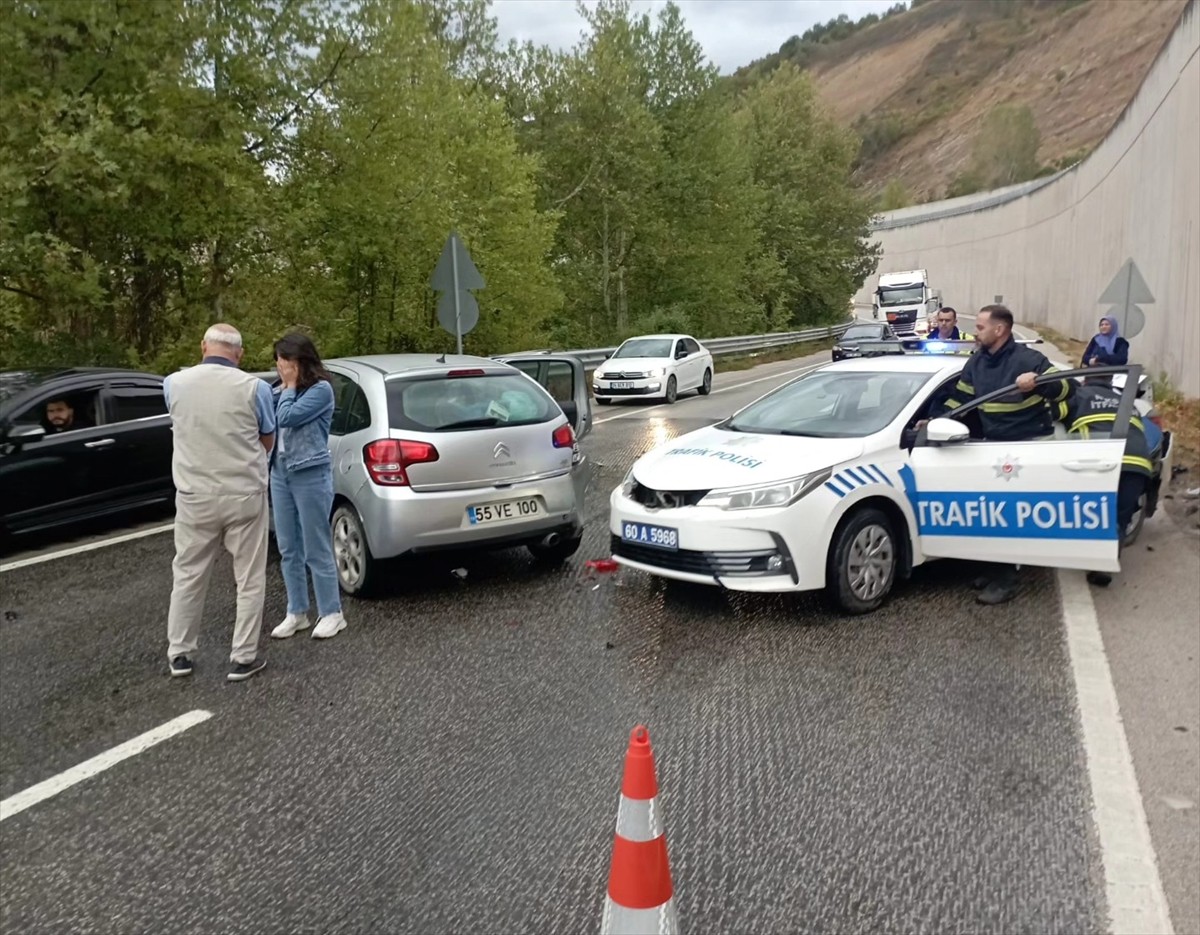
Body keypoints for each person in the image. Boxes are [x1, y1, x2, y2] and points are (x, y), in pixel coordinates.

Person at [931, 304, 1074, 605]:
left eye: (981, 327)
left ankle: (1005, 580)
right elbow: (962, 399)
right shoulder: (977, 362)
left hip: (1028, 444)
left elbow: (1067, 388)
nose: (976, 332)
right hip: (995, 444)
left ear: (1000, 330)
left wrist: (1038, 383)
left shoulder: (1028, 359)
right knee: (992, 512)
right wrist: (935, 421)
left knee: (1008, 514)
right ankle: (993, 567)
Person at [162, 323, 276, 681]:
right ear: (239, 354)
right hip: (243, 492)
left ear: (203, 347)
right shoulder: (255, 388)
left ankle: (180, 653)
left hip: (194, 493)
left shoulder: (173, 383)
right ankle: (243, 656)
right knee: (249, 577)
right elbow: (268, 438)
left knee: (188, 574)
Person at [269, 333, 348, 641]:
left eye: (283, 360)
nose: (279, 366)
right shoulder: (279, 391)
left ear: (299, 362)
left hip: (310, 475)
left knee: (316, 546)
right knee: (288, 547)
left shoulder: (321, 391)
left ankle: (332, 612)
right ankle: (297, 611)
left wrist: (288, 387)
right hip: (281, 473)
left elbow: (286, 417)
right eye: (277, 361)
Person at [1056, 373, 1154, 588]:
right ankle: (1104, 566)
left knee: (1093, 514)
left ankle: (1090, 556)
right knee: (1119, 517)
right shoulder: (1126, 401)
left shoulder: (1079, 396)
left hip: (1103, 463)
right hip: (1137, 464)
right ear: (1110, 382)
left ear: (1085, 381)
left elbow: (1053, 414)